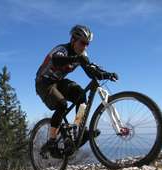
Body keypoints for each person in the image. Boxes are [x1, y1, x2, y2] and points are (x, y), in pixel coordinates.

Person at [35, 25, 118, 158]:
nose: (85, 47)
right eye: (83, 43)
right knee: (62, 105)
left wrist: (105, 74)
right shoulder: (62, 49)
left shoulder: (82, 55)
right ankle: (51, 141)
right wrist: (76, 59)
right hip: (43, 82)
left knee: (81, 95)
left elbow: (90, 71)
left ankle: (78, 130)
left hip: (58, 82)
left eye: (87, 44)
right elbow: (57, 60)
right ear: (73, 40)